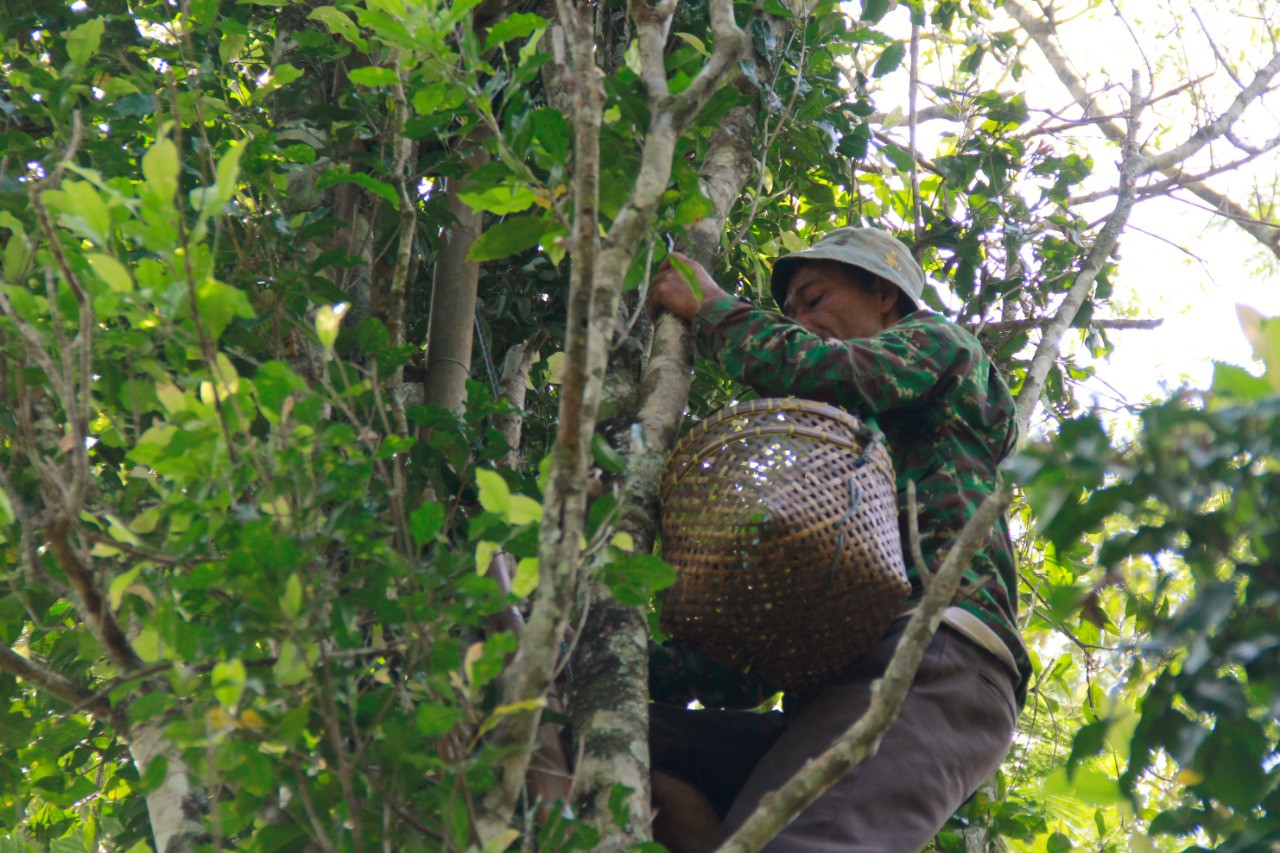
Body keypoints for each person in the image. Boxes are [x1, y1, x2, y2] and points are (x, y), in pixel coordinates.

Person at [644, 227, 1031, 852]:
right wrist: (608, 661)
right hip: (831, 693)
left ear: (883, 294)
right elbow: (749, 662)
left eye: (813, 298)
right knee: (628, 747)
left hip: (933, 658)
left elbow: (835, 373)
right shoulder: (836, 472)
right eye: (790, 311)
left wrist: (714, 308)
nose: (799, 319)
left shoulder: (939, 346)